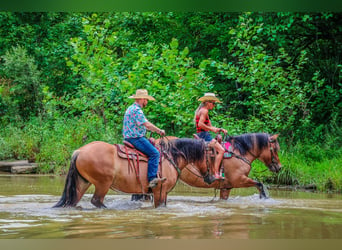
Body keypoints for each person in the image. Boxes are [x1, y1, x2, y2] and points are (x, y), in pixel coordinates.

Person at [123, 89, 166, 188]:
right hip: (136, 138)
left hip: (130, 137)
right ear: (142, 99)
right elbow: (146, 124)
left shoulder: (130, 108)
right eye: (146, 99)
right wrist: (159, 131)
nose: (147, 102)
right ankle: (152, 178)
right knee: (155, 153)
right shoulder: (137, 110)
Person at [195, 92, 227, 181]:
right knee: (221, 150)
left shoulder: (202, 110)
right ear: (208, 102)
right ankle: (216, 173)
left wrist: (220, 129)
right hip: (204, 135)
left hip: (203, 134)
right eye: (213, 103)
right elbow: (200, 124)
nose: (214, 105)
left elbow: (210, 126)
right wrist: (212, 130)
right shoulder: (204, 111)